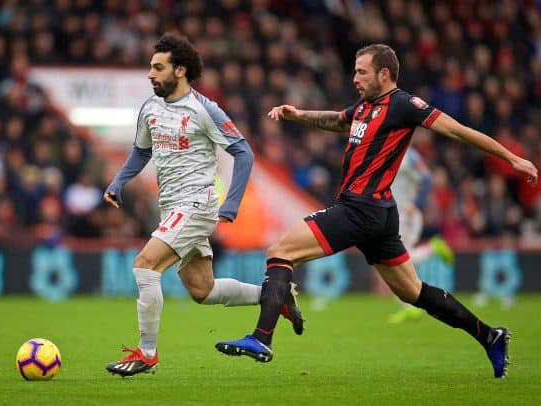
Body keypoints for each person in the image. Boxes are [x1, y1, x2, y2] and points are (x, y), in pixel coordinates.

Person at [215, 43, 538, 378]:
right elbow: (339, 120)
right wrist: (299, 114)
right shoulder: (365, 106)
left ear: (384, 73)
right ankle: (490, 336)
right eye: (355, 71)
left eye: (362, 72)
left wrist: (512, 159)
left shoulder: (403, 104)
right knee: (413, 292)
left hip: (361, 208)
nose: (355, 78)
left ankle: (261, 338)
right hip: (379, 214)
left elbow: (459, 131)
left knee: (280, 252)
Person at [103, 33, 303, 377]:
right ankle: (275, 294)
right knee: (202, 290)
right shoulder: (150, 108)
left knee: (145, 265)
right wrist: (119, 181)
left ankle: (146, 353)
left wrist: (232, 203)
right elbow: (141, 151)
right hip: (172, 208)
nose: (150, 74)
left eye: (158, 67)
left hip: (196, 204)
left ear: (180, 70)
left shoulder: (204, 109)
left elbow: (243, 152)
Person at [387, 147, 455, 324]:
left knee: (392, 260)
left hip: (405, 214)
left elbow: (426, 179)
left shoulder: (409, 155)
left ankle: (433, 248)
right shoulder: (388, 149)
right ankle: (408, 308)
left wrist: (414, 203)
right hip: (392, 212)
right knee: (391, 261)